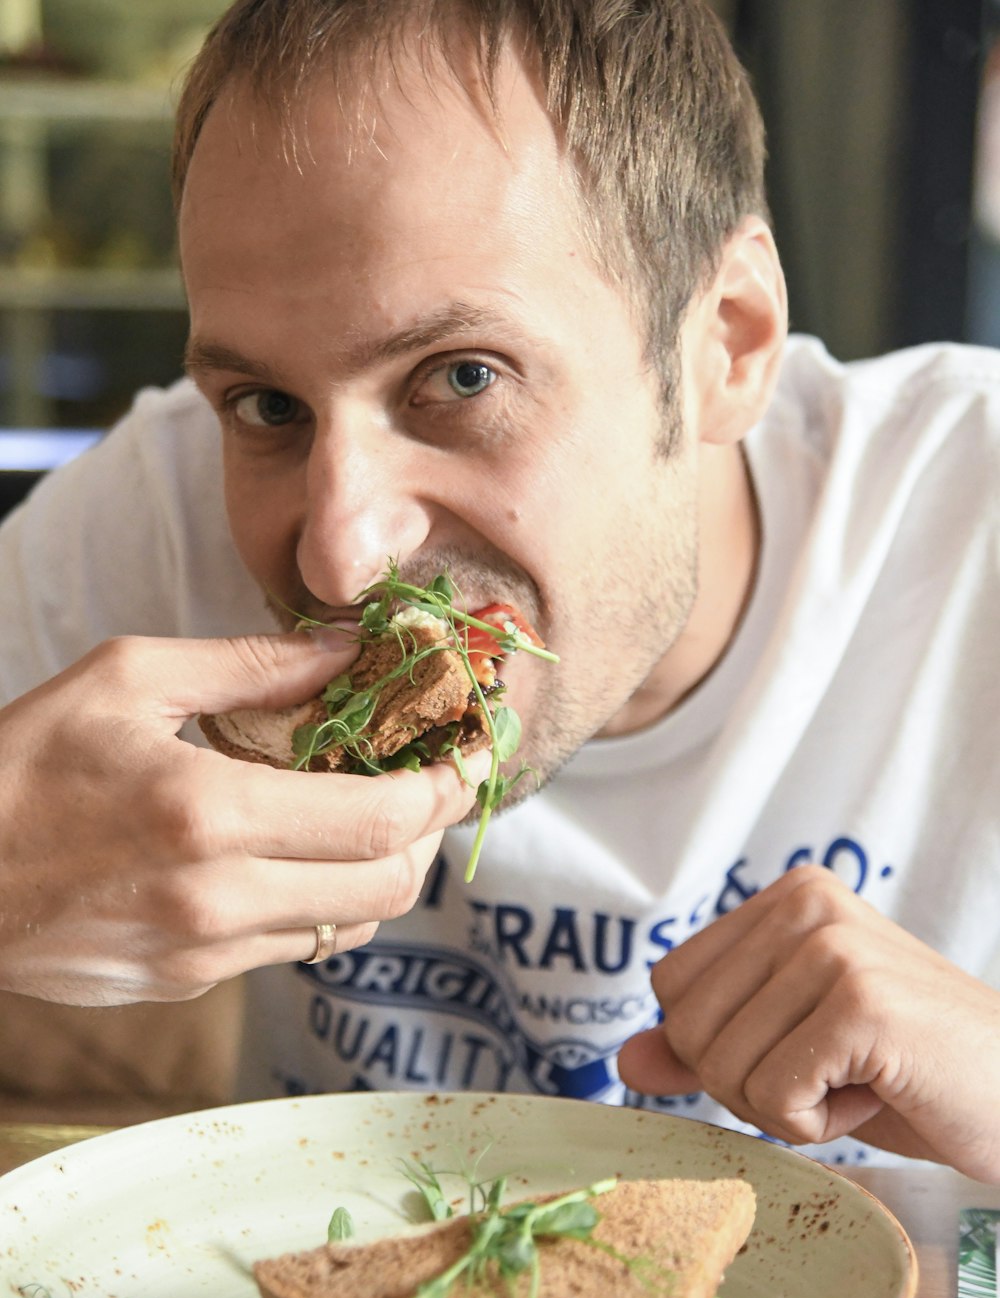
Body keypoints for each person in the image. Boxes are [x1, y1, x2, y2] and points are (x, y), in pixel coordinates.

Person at [1, 0, 999, 1180]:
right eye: (268, 407)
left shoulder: (968, 515)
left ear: (726, 341)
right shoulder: (151, 512)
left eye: (461, 376)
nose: (341, 556)